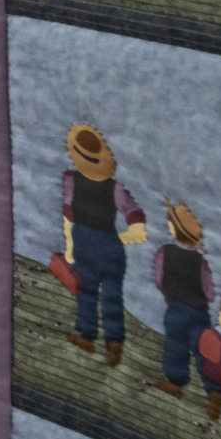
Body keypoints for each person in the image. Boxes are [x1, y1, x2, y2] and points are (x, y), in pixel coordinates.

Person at [61, 123, 148, 365]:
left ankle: (90, 337)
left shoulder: (72, 182)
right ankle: (113, 343)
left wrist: (69, 249)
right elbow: (136, 219)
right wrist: (121, 238)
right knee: (111, 295)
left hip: (88, 244)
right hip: (108, 246)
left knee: (88, 292)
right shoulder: (114, 188)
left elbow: (68, 216)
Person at [153, 203, 221, 410]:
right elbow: (209, 291)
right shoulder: (201, 261)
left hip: (175, 307)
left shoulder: (164, 252)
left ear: (174, 229)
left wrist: (169, 291)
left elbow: (159, 279)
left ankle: (175, 383)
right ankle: (214, 391)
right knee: (204, 351)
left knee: (176, 346)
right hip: (200, 311)